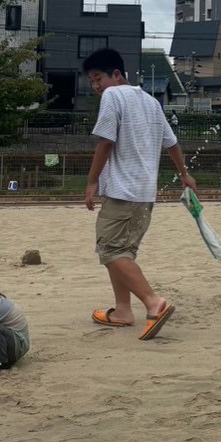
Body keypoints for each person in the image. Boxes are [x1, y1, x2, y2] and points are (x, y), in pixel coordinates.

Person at [83, 47, 197, 340]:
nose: (96, 87)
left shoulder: (113, 96)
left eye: (98, 79)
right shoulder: (151, 102)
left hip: (122, 191)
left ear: (116, 75)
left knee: (110, 249)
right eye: (92, 82)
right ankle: (122, 311)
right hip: (145, 194)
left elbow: (105, 142)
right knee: (122, 251)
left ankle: (153, 303)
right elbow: (171, 143)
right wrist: (184, 173)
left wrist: (92, 182)